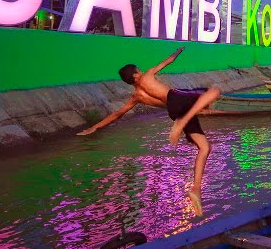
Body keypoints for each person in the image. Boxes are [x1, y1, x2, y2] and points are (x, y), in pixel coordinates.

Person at [77, 47, 221, 216]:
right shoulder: (147, 76)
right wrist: (177, 52)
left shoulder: (136, 97)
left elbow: (117, 114)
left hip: (173, 111)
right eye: (139, 70)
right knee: (214, 91)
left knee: (205, 148)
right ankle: (182, 122)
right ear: (137, 75)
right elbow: (167, 61)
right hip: (176, 98)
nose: (142, 71)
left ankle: (196, 189)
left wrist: (95, 127)